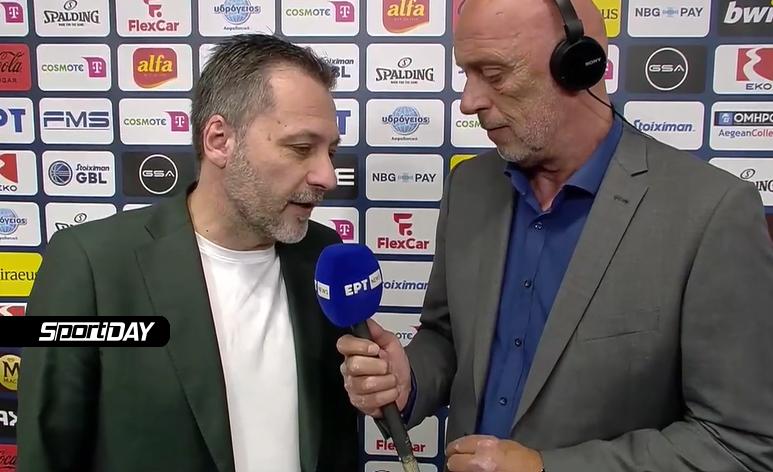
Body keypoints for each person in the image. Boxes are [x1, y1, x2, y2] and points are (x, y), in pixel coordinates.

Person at [337, 0, 773, 470]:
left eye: (494, 74)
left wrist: (546, 467)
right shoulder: (469, 187)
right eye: (467, 73)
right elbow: (446, 335)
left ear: (578, 65)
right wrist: (410, 378)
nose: (468, 101)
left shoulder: (710, 212)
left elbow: (737, 443)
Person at [17, 34, 358, 472]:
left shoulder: (324, 257)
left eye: (331, 152)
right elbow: (47, 452)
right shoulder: (92, 266)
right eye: (301, 148)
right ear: (219, 140)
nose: (327, 176)